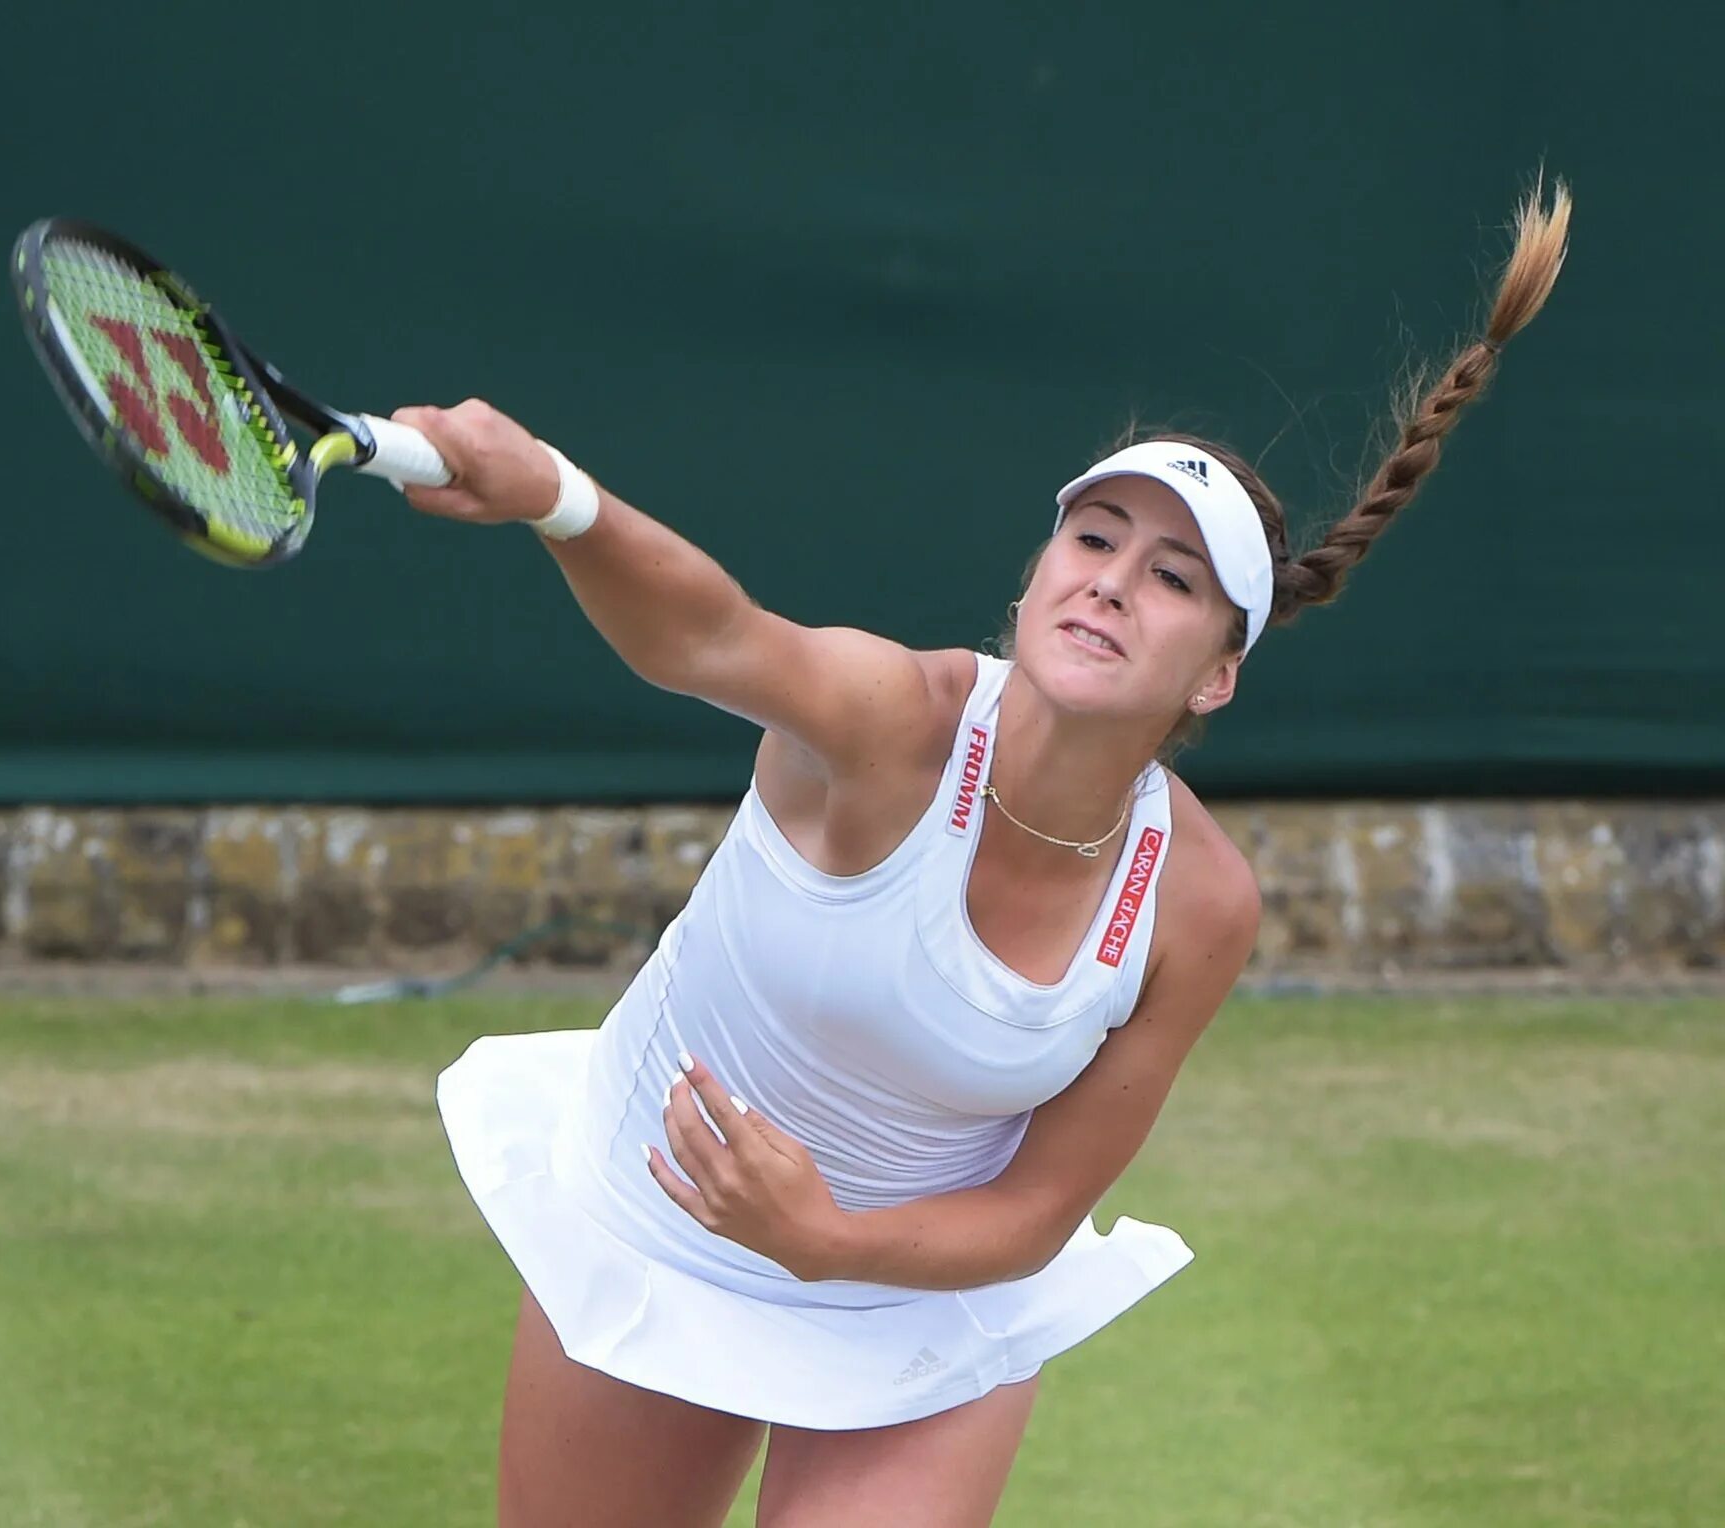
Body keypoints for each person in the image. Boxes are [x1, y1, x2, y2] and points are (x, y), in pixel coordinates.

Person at [413, 178, 1571, 1528]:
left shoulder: (1197, 903)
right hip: (662, 1219)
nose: (1111, 581)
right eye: (1094, 539)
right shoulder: (889, 724)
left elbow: (1033, 1212)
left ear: (1214, 678)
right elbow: (711, 636)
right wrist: (554, 496)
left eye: (1174, 578)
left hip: (919, 1303)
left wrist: (826, 1241)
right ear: (1033, 580)